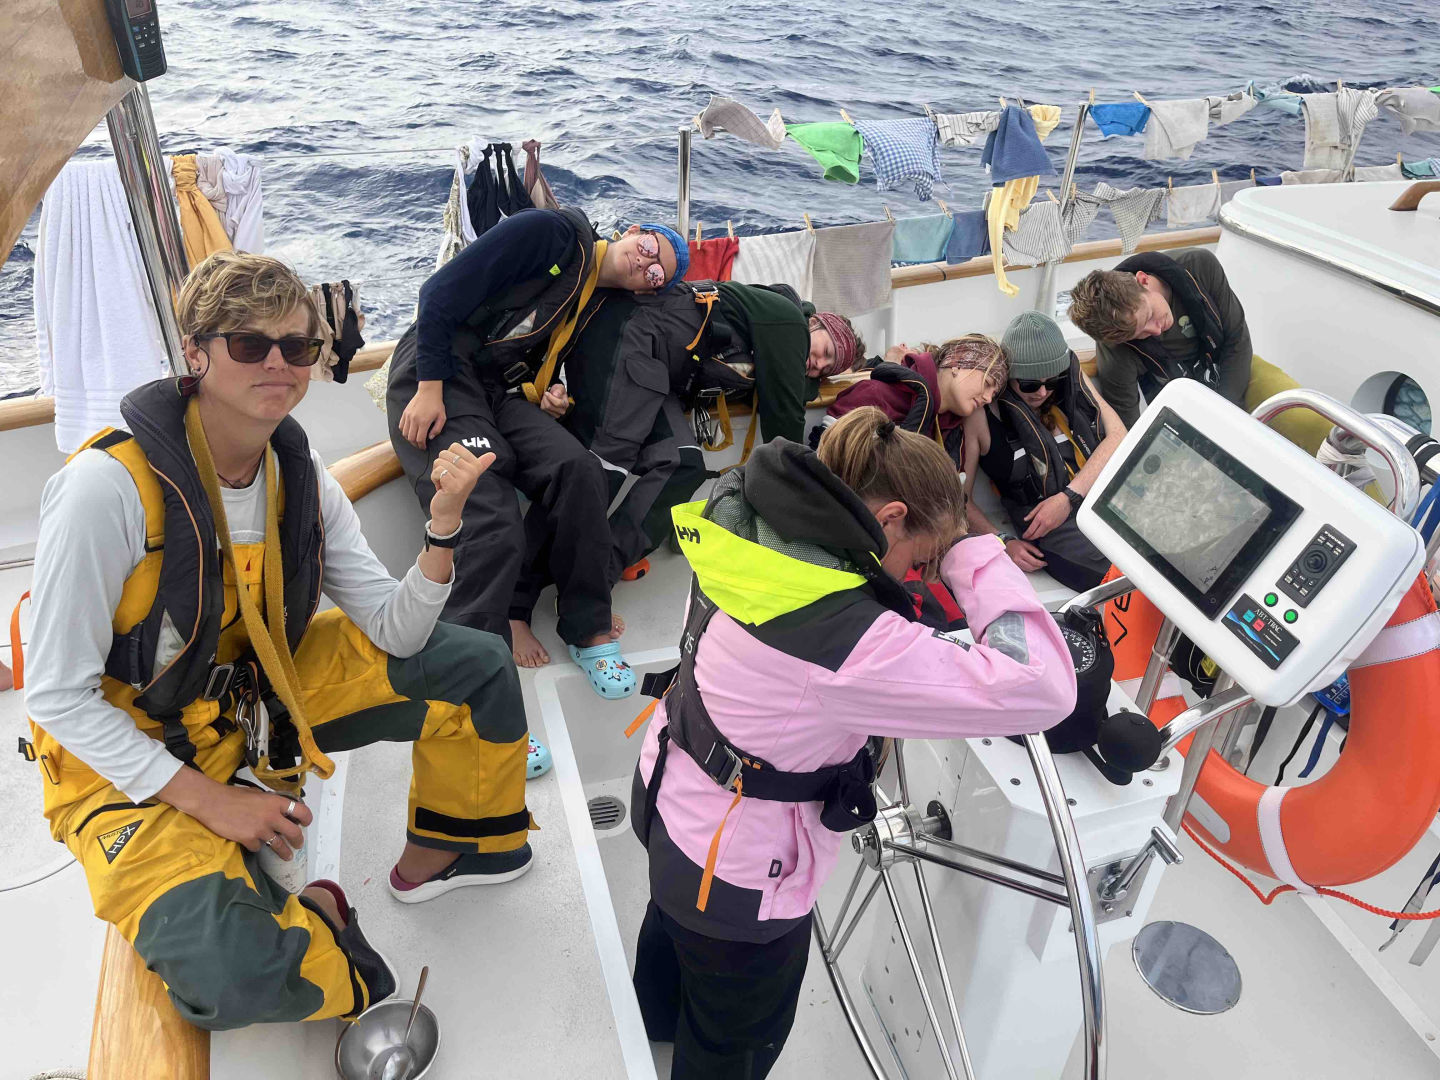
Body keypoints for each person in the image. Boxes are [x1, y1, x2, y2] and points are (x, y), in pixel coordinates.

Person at [22, 252, 532, 1031]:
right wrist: (213, 803)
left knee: (477, 664)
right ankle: (329, 941)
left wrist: (443, 528)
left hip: (252, 698)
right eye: (247, 343)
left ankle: (455, 847)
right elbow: (57, 695)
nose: (277, 363)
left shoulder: (302, 476)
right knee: (233, 975)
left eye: (296, 346)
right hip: (123, 755)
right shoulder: (106, 491)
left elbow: (395, 629)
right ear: (194, 353)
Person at [629, 407, 1076, 1078]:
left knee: (670, 943)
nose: (918, 576)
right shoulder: (850, 643)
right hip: (732, 877)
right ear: (891, 517)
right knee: (733, 1044)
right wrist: (968, 551)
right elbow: (1043, 686)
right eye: (920, 559)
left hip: (666, 790)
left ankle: (650, 1027)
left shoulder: (750, 517)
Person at [387, 206, 687, 697]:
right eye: (650, 247)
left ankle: (587, 626)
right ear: (633, 231)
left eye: (656, 274)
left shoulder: (593, 297)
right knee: (489, 512)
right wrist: (429, 388)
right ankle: (471, 691)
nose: (645, 263)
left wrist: (547, 393)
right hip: (440, 373)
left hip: (496, 391)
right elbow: (438, 291)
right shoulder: (553, 234)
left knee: (580, 470)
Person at [507, 280, 866, 667]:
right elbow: (785, 418)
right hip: (630, 337)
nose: (819, 364)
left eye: (829, 368)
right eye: (826, 351)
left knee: (683, 463)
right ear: (814, 324)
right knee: (601, 468)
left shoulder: (771, 334)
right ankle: (514, 606)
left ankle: (593, 577)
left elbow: (788, 385)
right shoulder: (788, 323)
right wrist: (811, 494)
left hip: (657, 374)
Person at [967, 311, 1127, 592]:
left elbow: (1118, 435)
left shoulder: (1070, 382)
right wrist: (1003, 541)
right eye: (1029, 384)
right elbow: (958, 500)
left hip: (1099, 500)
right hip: (1052, 531)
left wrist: (1068, 497)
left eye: (1051, 382)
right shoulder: (981, 415)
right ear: (1008, 376)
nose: (1042, 392)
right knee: (1128, 579)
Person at [1067, 248, 1250, 428]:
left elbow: (1237, 340)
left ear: (1143, 280)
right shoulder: (1114, 344)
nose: (1155, 330)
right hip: (1180, 404)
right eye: (1140, 335)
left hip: (1233, 368)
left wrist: (1223, 418)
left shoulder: (1199, 266)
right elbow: (1126, 422)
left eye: (1149, 316)